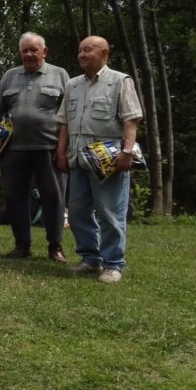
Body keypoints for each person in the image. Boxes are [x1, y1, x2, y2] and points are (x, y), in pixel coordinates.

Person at [56, 36, 143, 284]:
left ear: (104, 52)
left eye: (88, 49)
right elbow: (64, 123)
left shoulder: (119, 81)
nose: (82, 54)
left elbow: (131, 120)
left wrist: (127, 152)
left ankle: (113, 264)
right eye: (80, 50)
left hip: (107, 160)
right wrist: (61, 152)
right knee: (77, 212)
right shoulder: (72, 85)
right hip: (77, 159)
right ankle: (90, 258)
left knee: (110, 212)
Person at [0, 32, 70, 262]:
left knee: (54, 198)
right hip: (13, 149)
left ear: (45, 51)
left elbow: (69, 115)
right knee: (15, 197)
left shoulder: (60, 75)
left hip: (49, 148)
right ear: (20, 53)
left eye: (34, 50)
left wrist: (64, 147)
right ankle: (22, 245)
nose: (29, 54)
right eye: (25, 51)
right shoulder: (10, 76)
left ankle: (55, 246)